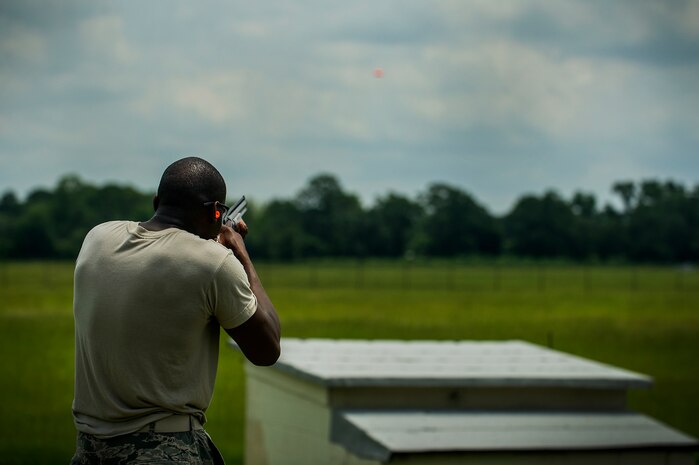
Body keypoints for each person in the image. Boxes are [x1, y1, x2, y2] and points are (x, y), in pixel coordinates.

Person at [70, 157, 281, 464]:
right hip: (164, 451)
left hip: (90, 450)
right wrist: (239, 254)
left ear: (157, 202)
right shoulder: (214, 263)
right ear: (215, 212)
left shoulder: (97, 237)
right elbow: (268, 348)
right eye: (220, 214)